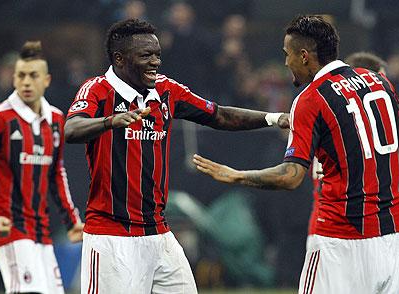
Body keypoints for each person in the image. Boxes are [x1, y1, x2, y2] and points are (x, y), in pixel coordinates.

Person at [193, 15, 399, 294]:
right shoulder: (379, 81)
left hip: (341, 237)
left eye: (286, 55)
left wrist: (238, 175)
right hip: (391, 234)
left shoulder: (311, 98)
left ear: (303, 56)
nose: (285, 62)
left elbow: (291, 177)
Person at [64, 19, 289, 293]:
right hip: (112, 236)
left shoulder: (166, 90)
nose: (155, 62)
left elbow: (218, 114)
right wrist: (111, 121)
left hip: (158, 233)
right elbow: (72, 129)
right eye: (146, 55)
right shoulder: (97, 89)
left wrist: (273, 118)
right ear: (120, 59)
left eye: (158, 54)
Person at [0, 41, 84, 294]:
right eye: (20, 75)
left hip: (41, 226)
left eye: (33, 76)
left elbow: (57, 173)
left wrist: (72, 219)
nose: (27, 82)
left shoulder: (55, 119)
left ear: (47, 80)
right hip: (9, 224)